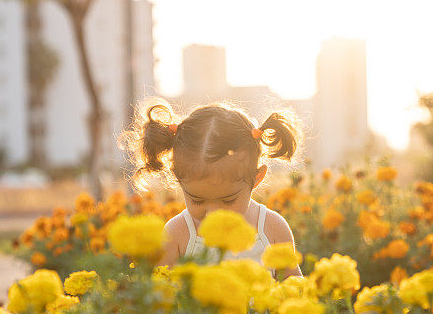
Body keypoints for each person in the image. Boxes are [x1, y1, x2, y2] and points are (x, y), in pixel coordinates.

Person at [122, 100, 304, 280]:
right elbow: (158, 299)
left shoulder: (271, 229)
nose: (214, 213)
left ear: (256, 177)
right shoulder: (177, 235)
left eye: (228, 200)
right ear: (178, 178)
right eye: (198, 200)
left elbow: (294, 289)